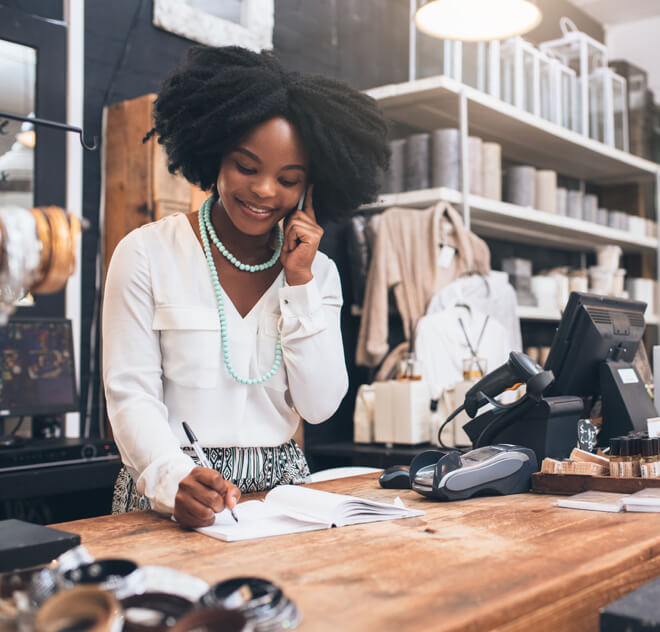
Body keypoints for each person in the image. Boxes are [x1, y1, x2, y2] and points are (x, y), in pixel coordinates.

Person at [102, 45, 389, 528]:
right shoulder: (145, 253)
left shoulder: (320, 274)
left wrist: (299, 281)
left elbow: (319, 408)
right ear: (215, 155)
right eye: (247, 167)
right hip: (170, 489)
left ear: (310, 189)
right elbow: (131, 396)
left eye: (288, 179)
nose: (263, 191)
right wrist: (174, 478)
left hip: (285, 497)